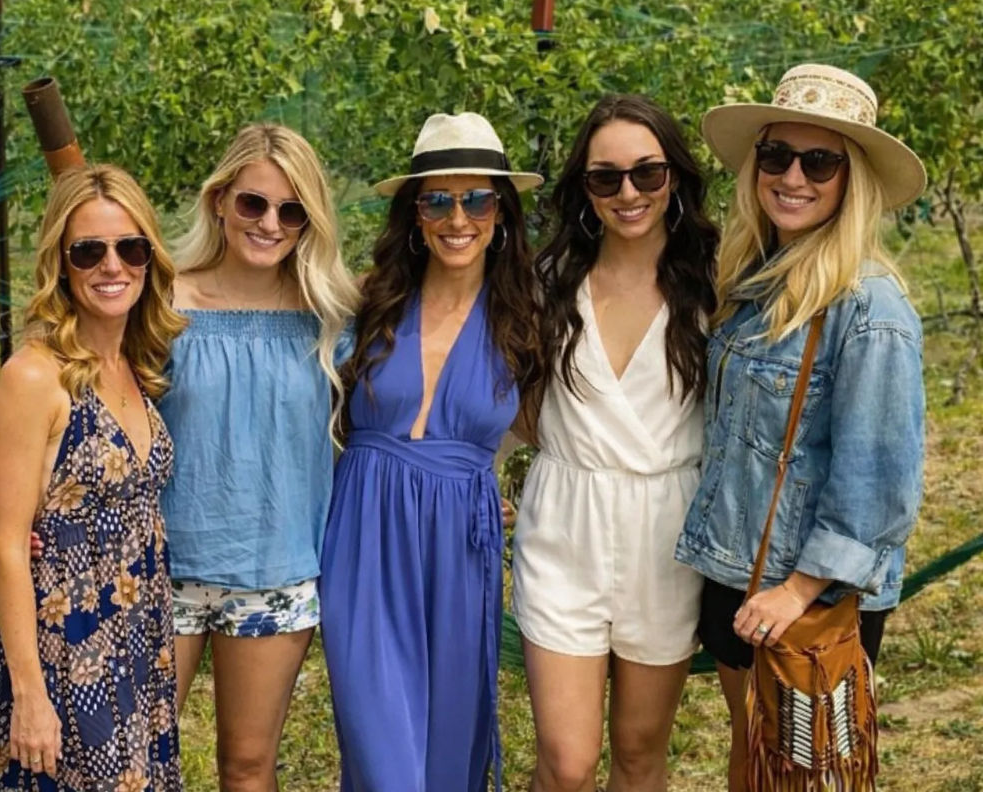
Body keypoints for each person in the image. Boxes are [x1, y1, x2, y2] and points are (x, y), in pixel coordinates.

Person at [673, 63, 927, 791]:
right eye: (777, 155)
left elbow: (880, 487)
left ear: (853, 181)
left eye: (820, 161)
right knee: (756, 762)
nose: (793, 176)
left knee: (807, 776)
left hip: (803, 592)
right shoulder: (754, 281)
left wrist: (797, 590)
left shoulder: (869, 309)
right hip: (736, 569)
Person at [319, 112, 545, 791]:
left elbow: (555, 428)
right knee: (382, 752)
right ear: (414, 214)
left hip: (461, 546)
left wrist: (485, 476)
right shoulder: (368, 303)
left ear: (501, 213)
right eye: (437, 200)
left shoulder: (525, 320)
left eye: (477, 199)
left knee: (449, 749)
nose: (458, 217)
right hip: (363, 537)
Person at [512, 95, 719, 792]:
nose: (628, 193)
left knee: (638, 755)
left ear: (675, 179)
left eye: (647, 174)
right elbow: (512, 404)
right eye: (606, 178)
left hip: (667, 529)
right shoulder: (547, 284)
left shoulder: (716, 284)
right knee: (567, 763)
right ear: (584, 190)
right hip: (565, 523)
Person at [0, 164, 187, 790]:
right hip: (67, 654)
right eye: (89, 251)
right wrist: (30, 694)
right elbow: (8, 545)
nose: (112, 266)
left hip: (139, 643)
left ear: (149, 258)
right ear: (61, 262)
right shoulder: (34, 377)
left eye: (130, 248)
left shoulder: (134, 367)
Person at [157, 123, 357, 791]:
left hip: (276, 568)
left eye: (291, 211)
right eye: (253, 203)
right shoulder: (161, 304)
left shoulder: (332, 316)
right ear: (219, 200)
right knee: (134, 760)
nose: (270, 223)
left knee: (248, 766)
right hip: (162, 568)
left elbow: (392, 415)